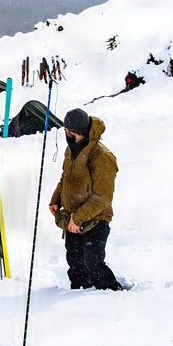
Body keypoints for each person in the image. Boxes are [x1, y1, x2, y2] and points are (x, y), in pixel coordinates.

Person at [50, 109, 123, 291]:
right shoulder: (71, 150)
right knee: (75, 267)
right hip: (72, 218)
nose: (70, 135)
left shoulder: (101, 156)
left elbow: (103, 197)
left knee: (93, 264)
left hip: (95, 220)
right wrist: (56, 199)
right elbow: (65, 177)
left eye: (73, 132)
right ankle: (78, 306)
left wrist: (78, 218)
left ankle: (113, 297)